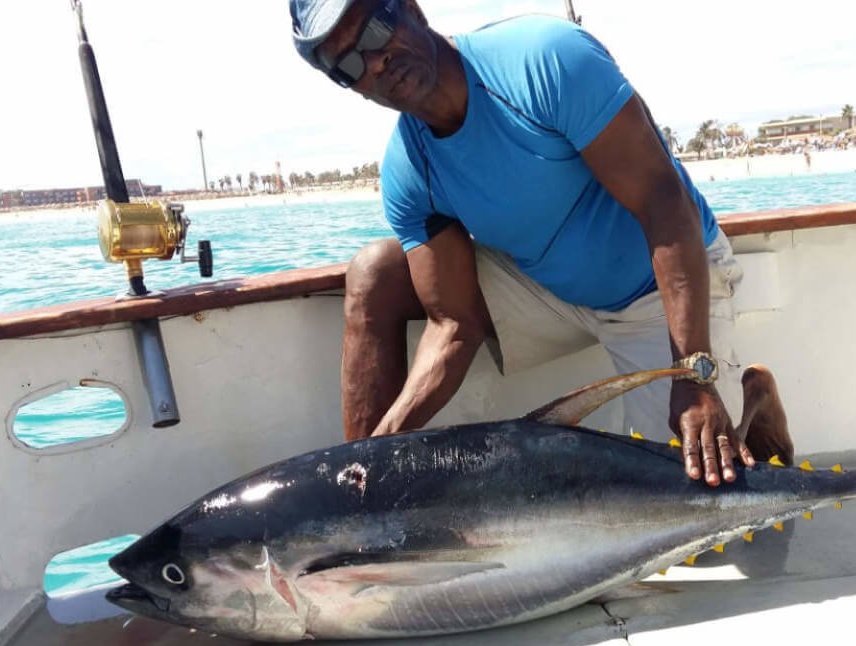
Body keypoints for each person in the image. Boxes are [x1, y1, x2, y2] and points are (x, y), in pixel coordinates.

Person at [290, 0, 794, 485]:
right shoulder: (407, 170)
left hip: (653, 290)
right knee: (376, 272)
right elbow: (453, 323)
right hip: (549, 289)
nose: (375, 61)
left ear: (411, 8)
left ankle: (750, 397)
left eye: (375, 32)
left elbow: (665, 204)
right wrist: (375, 452)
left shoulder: (544, 58)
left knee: (689, 496)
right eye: (349, 64)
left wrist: (695, 374)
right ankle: (358, 509)